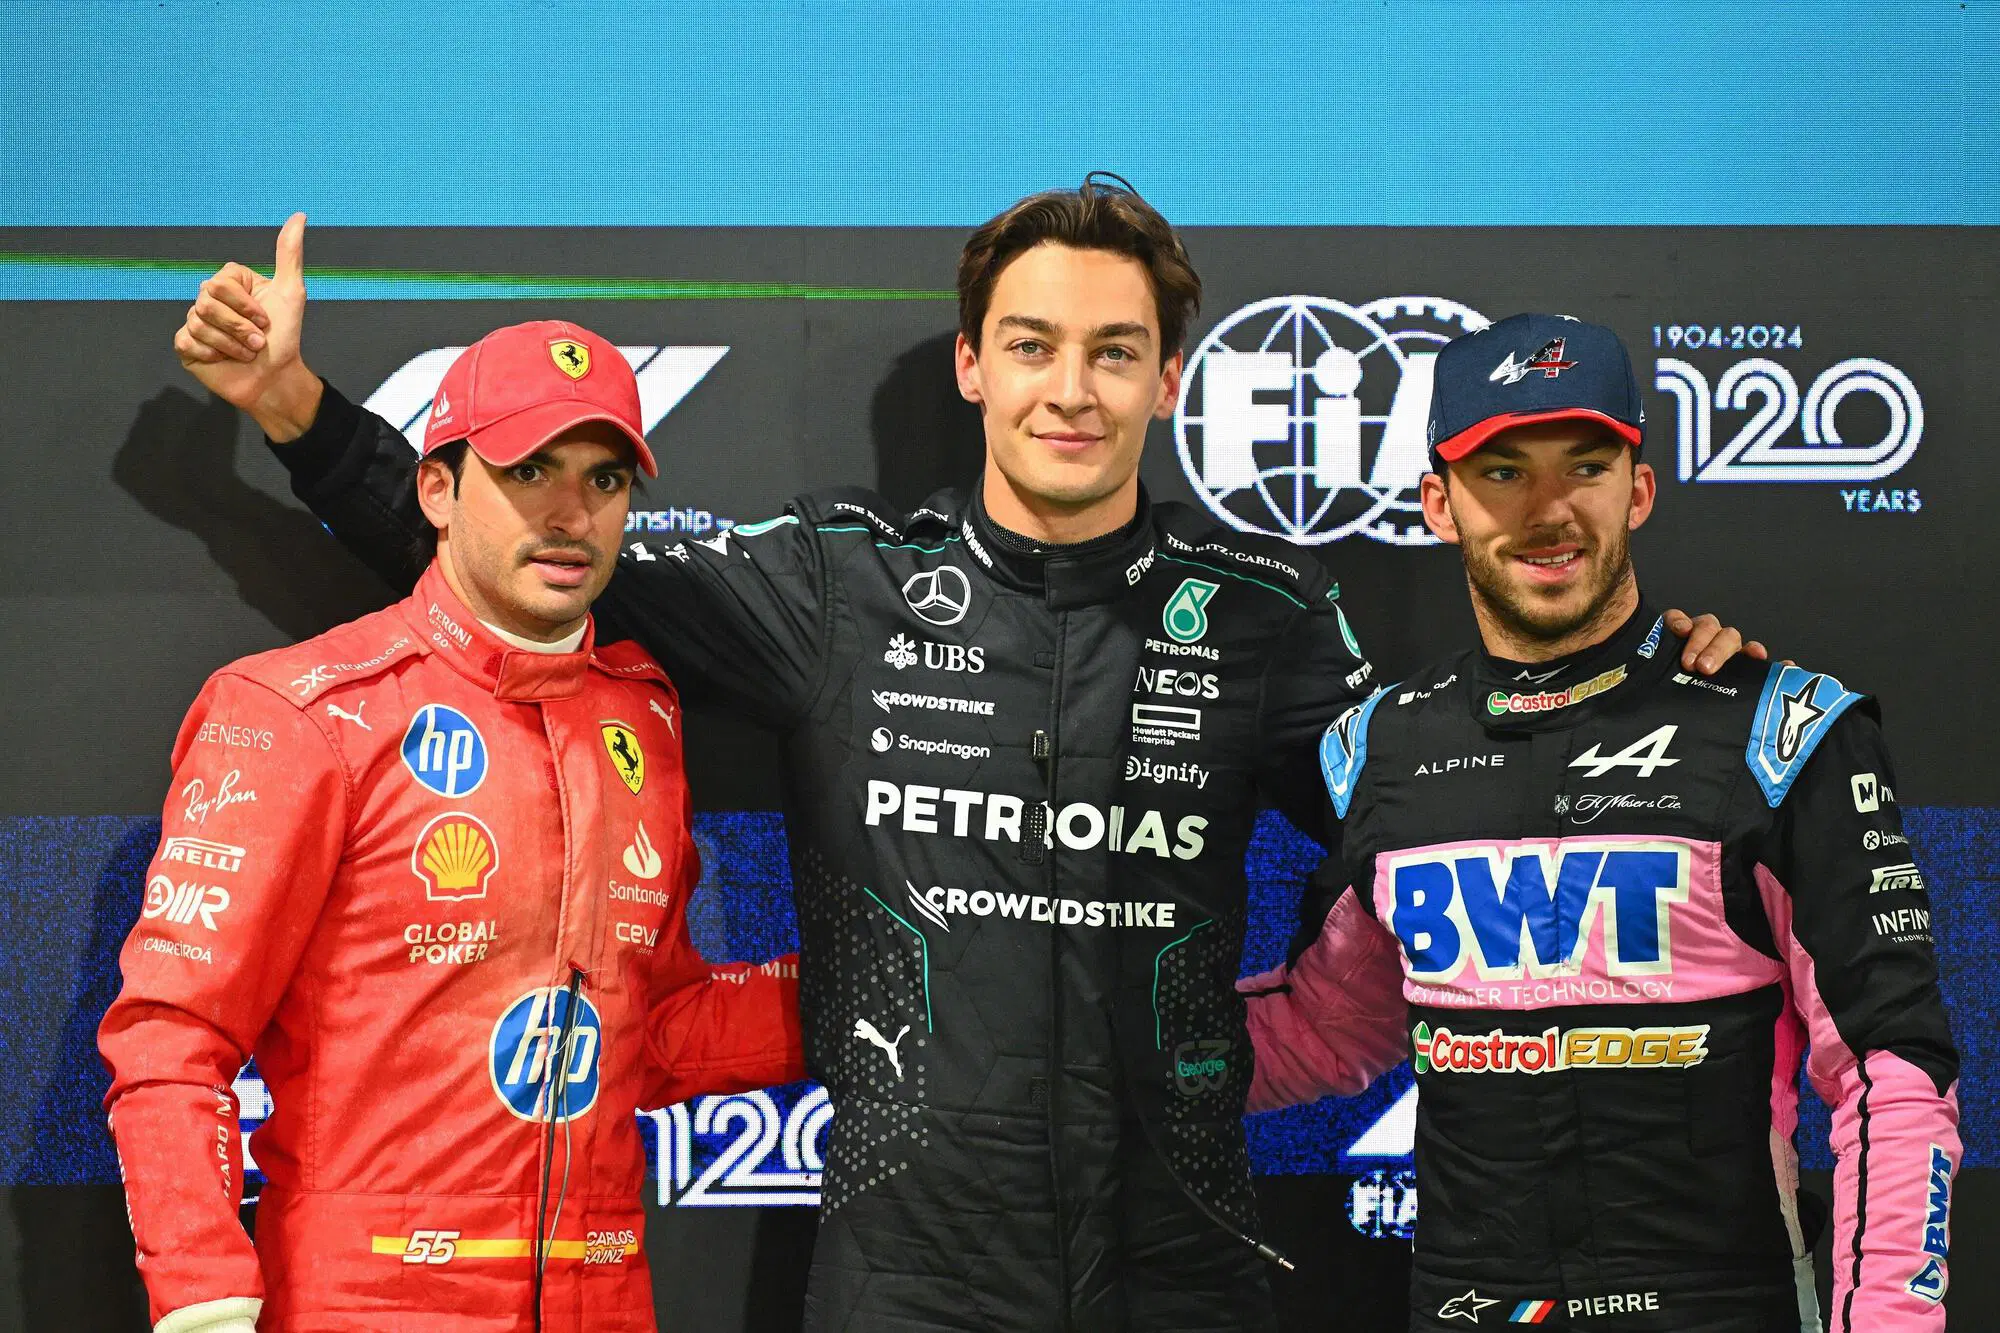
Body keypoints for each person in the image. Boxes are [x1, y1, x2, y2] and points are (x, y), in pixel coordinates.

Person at [172, 186, 1756, 1331]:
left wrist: (1649, 687)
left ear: (1170, 381)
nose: (1072, 390)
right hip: (911, 1278)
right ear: (971, 366)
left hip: (1184, 1266)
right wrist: (299, 410)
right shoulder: (840, 586)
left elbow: (1459, 794)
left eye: (1115, 353)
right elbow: (537, 558)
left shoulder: (1262, 619)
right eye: (1034, 345)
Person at [1243, 314, 1960, 1332]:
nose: (1549, 511)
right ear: (1439, 504)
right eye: (1503, 472)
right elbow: (1326, 1026)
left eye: (1584, 466)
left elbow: (1890, 1072)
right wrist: (1079, 1054)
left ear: (1638, 489)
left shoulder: (1780, 732)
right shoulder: (1378, 750)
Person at [100, 319, 806, 1333]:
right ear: (436, 488)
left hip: (606, 1298)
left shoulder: (641, 713)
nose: (571, 513)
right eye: (528, 471)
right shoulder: (302, 711)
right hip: (367, 1303)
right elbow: (173, 1037)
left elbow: (644, 1031)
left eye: (605, 480)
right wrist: (204, 1302)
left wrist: (884, 994)